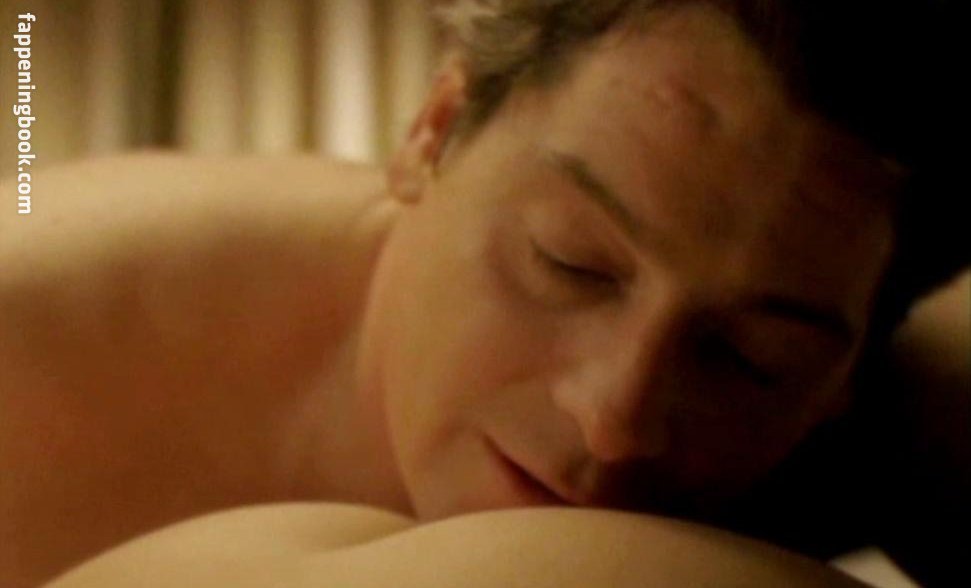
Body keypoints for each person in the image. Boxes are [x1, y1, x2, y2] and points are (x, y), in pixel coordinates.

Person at [1, 1, 967, 587]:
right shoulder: (38, 337)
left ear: (846, 368)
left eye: (750, 358)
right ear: (434, 131)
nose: (614, 421)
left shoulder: (899, 409)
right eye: (570, 263)